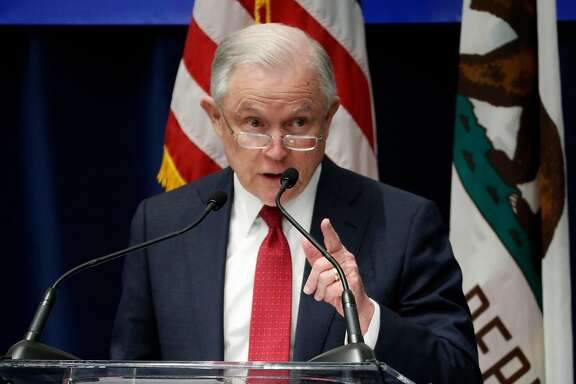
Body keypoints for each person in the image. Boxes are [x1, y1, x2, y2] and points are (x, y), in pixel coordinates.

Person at [111, 23, 482, 383]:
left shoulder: (403, 223)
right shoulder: (162, 223)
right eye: (254, 123)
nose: (276, 152)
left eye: (298, 123)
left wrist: (367, 315)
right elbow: (128, 372)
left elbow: (457, 371)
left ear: (329, 118)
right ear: (217, 119)